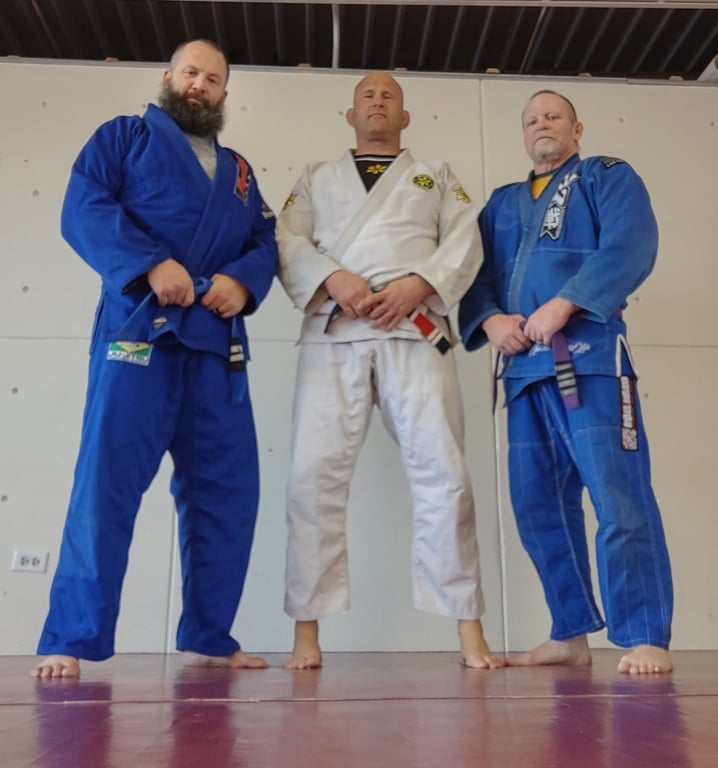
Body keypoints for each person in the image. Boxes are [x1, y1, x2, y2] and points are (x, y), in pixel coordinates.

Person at [31, 39, 278, 678]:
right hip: (139, 333)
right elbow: (84, 207)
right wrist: (150, 264)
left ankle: (208, 636)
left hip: (215, 345)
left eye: (213, 79)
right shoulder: (123, 138)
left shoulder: (239, 171)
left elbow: (264, 237)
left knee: (228, 494)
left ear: (225, 93)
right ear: (169, 76)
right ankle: (71, 637)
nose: (200, 85)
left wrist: (243, 281)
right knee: (106, 485)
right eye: (191, 72)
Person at [275, 71, 502, 671]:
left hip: (415, 327)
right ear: (350, 116)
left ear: (406, 117)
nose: (378, 102)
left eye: (389, 97)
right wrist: (333, 279)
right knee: (311, 477)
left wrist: (418, 284)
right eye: (367, 97)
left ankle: (469, 627)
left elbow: (465, 240)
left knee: (444, 472)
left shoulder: (436, 175)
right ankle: (306, 632)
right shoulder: (316, 177)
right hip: (335, 330)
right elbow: (288, 241)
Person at [459, 90, 673, 675]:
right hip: (525, 371)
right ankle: (570, 632)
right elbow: (473, 275)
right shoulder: (501, 204)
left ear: (577, 129)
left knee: (618, 497)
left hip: (591, 359)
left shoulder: (606, 176)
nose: (541, 125)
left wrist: (566, 302)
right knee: (537, 506)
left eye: (553, 116)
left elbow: (631, 245)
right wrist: (490, 320)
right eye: (531, 120)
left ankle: (645, 634)